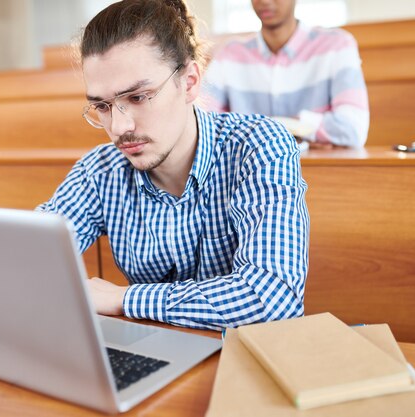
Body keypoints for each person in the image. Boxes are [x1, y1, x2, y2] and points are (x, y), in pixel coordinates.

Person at [37, 0, 309, 331]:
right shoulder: (99, 172)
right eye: (102, 106)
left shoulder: (259, 146)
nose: (120, 128)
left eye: (137, 98)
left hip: (247, 361)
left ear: (190, 81)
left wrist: (126, 299)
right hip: (159, 355)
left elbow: (272, 298)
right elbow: (26, 255)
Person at [202, 0, 370, 148]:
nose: (265, 1)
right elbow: (203, 123)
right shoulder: (230, 53)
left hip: (322, 172)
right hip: (249, 176)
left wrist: (253, 130)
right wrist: (305, 131)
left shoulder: (337, 45)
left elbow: (353, 128)